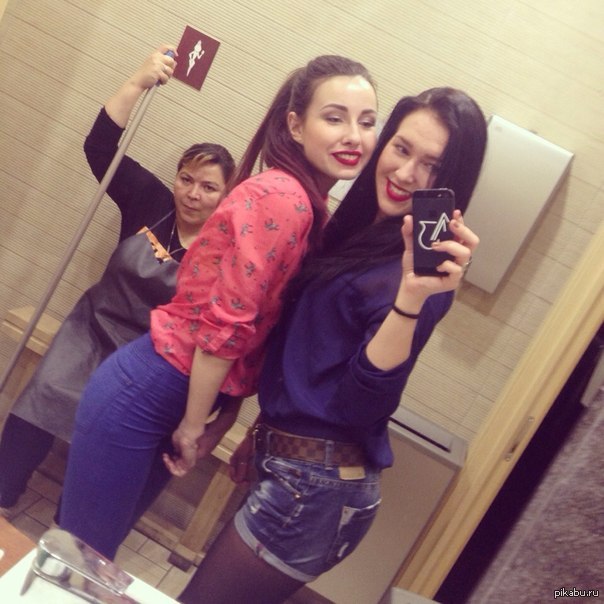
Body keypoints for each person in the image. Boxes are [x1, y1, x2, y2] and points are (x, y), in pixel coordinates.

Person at [58, 54, 379, 560]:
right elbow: (226, 324)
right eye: (335, 118)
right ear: (295, 125)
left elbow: (257, 333)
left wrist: (221, 417)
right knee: (78, 558)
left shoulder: (305, 204)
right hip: (151, 389)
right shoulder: (284, 198)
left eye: (367, 121)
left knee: (92, 558)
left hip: (174, 391)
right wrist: (194, 424)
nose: (353, 136)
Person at [178, 87, 488, 604]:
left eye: (432, 166)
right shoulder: (357, 228)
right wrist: (260, 428)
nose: (406, 173)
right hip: (295, 464)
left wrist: (411, 298)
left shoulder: (422, 279)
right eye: (400, 148)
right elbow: (307, 354)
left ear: (453, 183)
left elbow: (360, 404)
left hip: (317, 488)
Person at [0, 46, 235, 517]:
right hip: (89, 331)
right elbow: (100, 148)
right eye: (186, 179)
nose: (193, 193)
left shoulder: (228, 252)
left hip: (147, 360)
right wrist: (137, 81)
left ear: (227, 195)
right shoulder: (149, 200)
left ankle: (69, 530)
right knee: (37, 404)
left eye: (209, 187)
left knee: (106, 451)